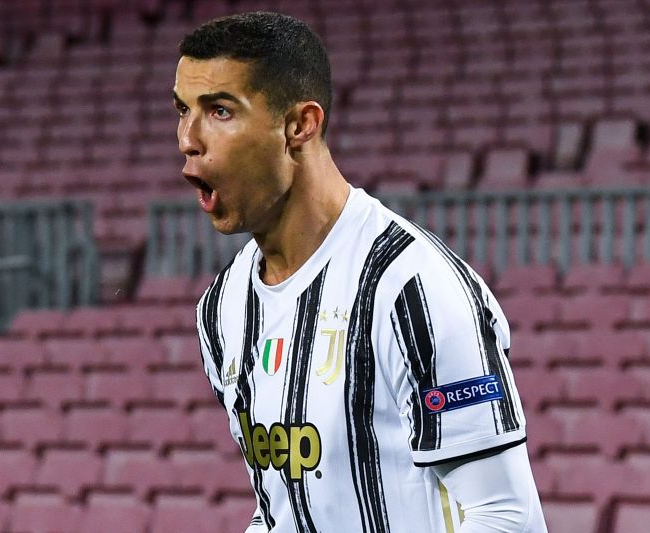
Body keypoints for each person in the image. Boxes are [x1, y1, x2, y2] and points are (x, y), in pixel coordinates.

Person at [173, 11, 547, 533]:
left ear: (299, 125)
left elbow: (507, 518)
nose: (187, 138)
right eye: (181, 110)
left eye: (218, 111)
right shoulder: (222, 309)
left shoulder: (412, 290)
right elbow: (284, 509)